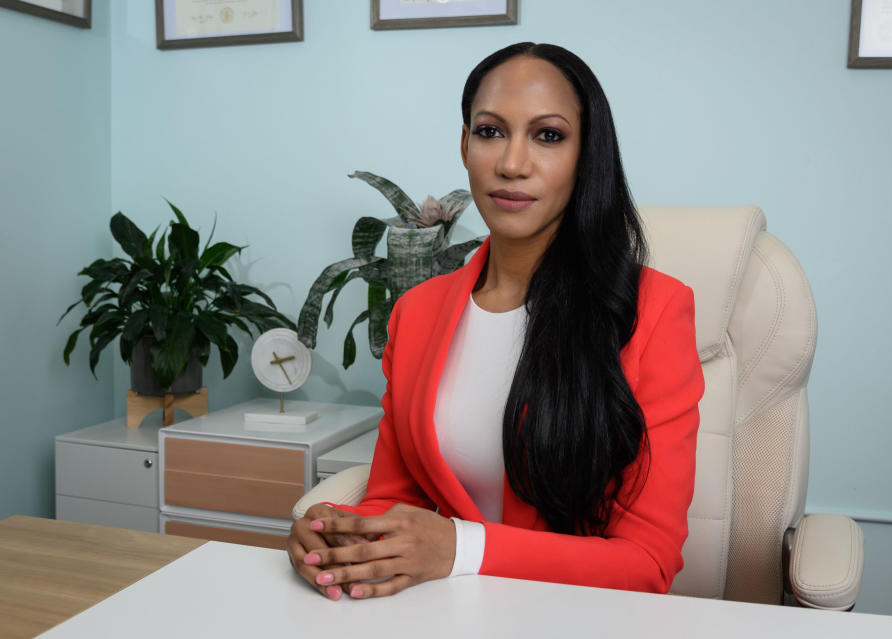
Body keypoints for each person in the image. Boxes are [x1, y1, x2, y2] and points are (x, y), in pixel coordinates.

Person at [286, 42, 704, 601]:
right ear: (464, 145)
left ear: (586, 156)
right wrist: (334, 535)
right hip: (442, 612)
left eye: (548, 136)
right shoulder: (417, 312)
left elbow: (647, 563)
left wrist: (459, 547)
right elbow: (394, 496)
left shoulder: (654, 311)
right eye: (490, 131)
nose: (511, 163)